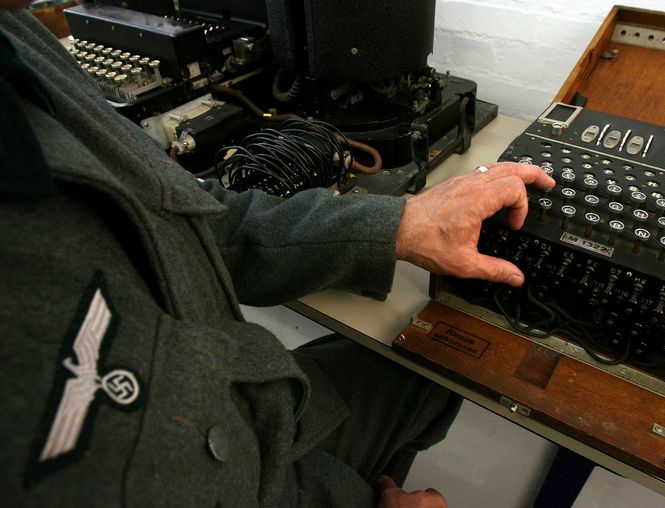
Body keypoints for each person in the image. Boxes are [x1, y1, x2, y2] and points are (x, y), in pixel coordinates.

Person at [0, 3, 554, 507]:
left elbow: (185, 215)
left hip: (244, 398)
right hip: (255, 480)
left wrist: (400, 224)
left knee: (432, 365)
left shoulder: (16, 36)